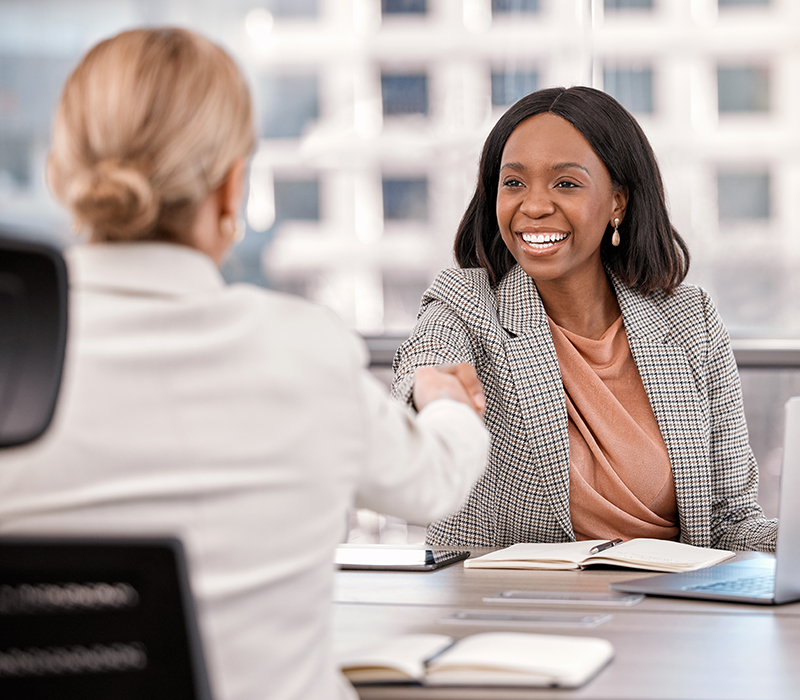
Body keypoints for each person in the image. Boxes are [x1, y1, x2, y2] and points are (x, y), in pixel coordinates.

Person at [0, 28, 489, 700]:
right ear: (233, 189)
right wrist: (445, 401)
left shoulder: (13, 364)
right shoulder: (303, 353)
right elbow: (434, 482)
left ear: (64, 176)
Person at [392, 85, 778, 553]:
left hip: (672, 614)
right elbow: (423, 371)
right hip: (514, 611)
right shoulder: (467, 302)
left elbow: (731, 522)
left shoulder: (690, 319)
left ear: (618, 201)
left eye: (566, 183)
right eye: (513, 183)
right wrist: (432, 393)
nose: (533, 206)